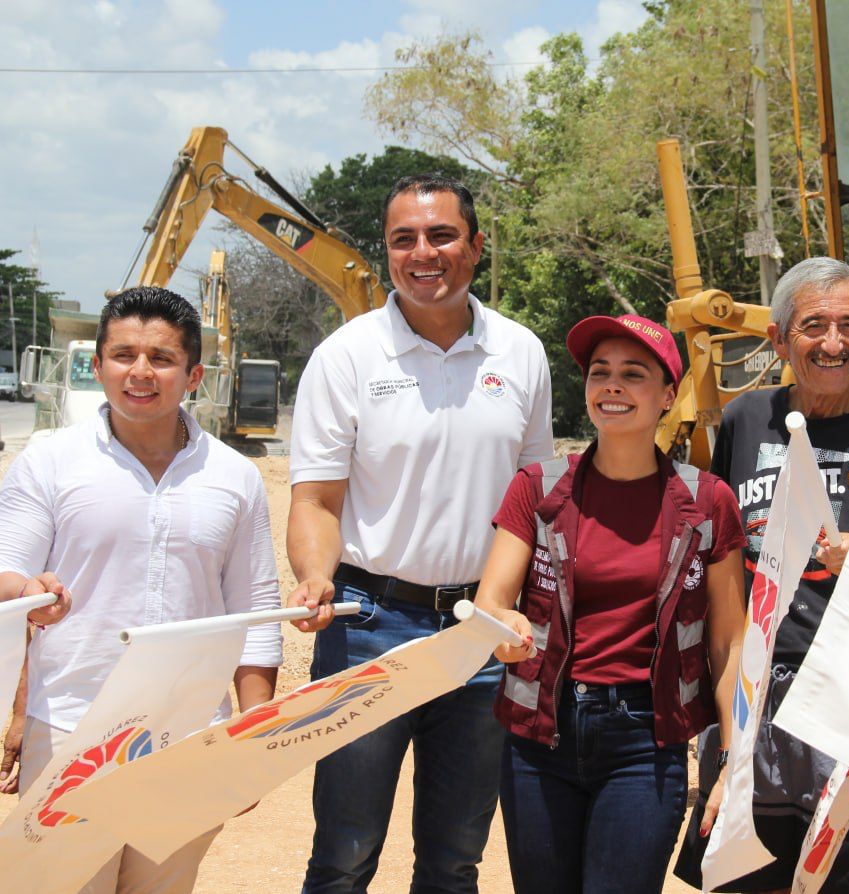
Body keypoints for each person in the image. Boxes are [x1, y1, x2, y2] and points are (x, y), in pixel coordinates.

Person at [287, 174, 554, 893]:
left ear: (475, 245)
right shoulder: (346, 356)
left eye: (440, 235)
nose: (422, 253)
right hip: (368, 625)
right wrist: (316, 577)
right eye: (403, 239)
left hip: (481, 635)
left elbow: (536, 499)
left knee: (454, 858)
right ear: (387, 252)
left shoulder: (521, 353)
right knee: (343, 856)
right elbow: (314, 499)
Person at [0, 286, 282, 893]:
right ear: (98, 363)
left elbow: (256, 615)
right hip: (72, 729)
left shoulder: (235, 479)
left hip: (190, 737)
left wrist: (254, 739)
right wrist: (30, 588)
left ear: (194, 374)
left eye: (161, 358)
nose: (140, 372)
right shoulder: (48, 463)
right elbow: (7, 576)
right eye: (123, 354)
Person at [674, 257, 849, 893]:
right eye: (814, 325)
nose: (834, 343)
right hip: (754, 697)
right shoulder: (743, 421)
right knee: (747, 874)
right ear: (778, 338)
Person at [476, 313, 747, 894]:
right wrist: (503, 625)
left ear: (668, 394)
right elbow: (493, 601)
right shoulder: (537, 488)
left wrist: (733, 757)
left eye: (634, 373)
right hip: (541, 735)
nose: (613, 386)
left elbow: (729, 644)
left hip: (646, 743)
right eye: (600, 373)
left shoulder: (707, 502)